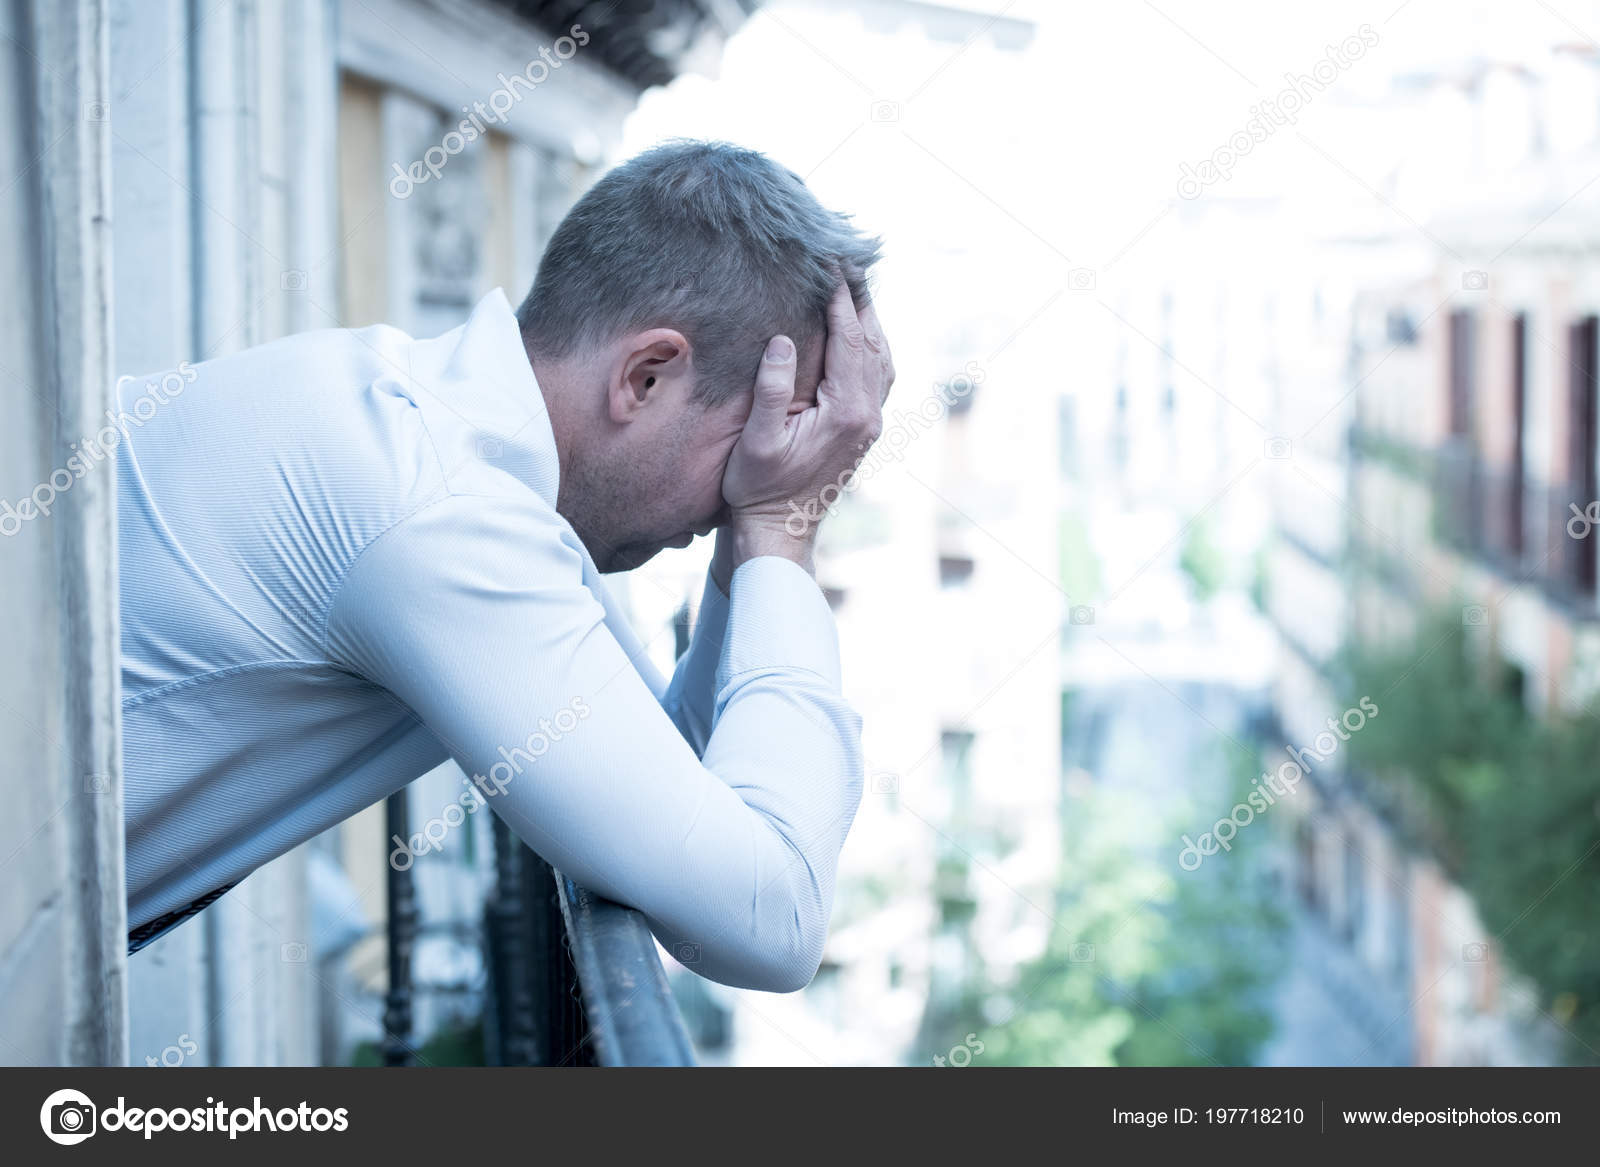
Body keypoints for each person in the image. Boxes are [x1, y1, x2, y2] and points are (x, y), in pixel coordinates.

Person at [117, 140, 893, 992]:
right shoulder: (440, 509)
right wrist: (783, 525)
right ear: (646, 376)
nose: (746, 484)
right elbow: (771, 916)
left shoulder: (445, 442)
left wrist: (751, 543)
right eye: (754, 434)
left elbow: (671, 777)